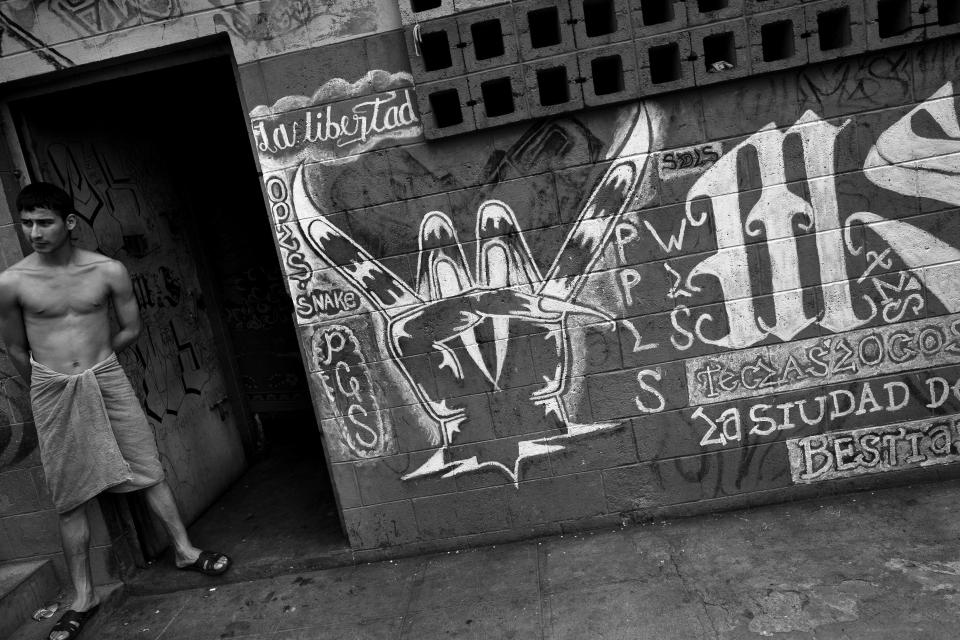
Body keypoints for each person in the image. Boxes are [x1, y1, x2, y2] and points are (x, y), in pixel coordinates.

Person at [0, 183, 231, 640]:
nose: (34, 233)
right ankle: (84, 597)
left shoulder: (107, 271)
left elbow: (131, 327)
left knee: (147, 468)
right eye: (27, 224)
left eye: (44, 222)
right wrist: (48, 384)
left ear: (68, 223)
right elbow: (12, 346)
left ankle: (184, 550)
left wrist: (98, 361)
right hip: (51, 388)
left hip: (106, 376)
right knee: (70, 494)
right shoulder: (12, 282)